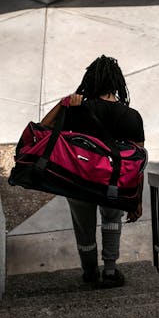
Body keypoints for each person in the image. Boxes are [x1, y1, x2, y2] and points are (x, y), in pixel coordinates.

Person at [40, 55, 145, 288]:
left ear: (89, 82)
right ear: (118, 84)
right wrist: (136, 200)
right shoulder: (132, 117)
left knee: (83, 227)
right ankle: (110, 271)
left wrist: (63, 104)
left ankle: (89, 273)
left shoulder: (76, 111)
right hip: (113, 185)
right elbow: (138, 163)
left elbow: (42, 130)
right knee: (111, 220)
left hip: (78, 183)